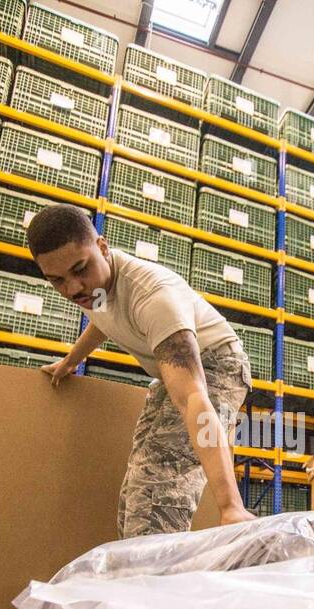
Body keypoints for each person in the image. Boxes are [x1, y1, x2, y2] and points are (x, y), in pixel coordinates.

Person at [27, 204, 257, 536]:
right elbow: (104, 320)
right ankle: (140, 572)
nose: (73, 288)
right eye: (57, 280)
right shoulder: (96, 289)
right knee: (136, 487)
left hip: (218, 363)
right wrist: (71, 360)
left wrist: (230, 506)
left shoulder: (154, 298)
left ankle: (158, 580)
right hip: (169, 373)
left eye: (80, 269)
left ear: (103, 248)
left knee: (158, 484)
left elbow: (193, 399)